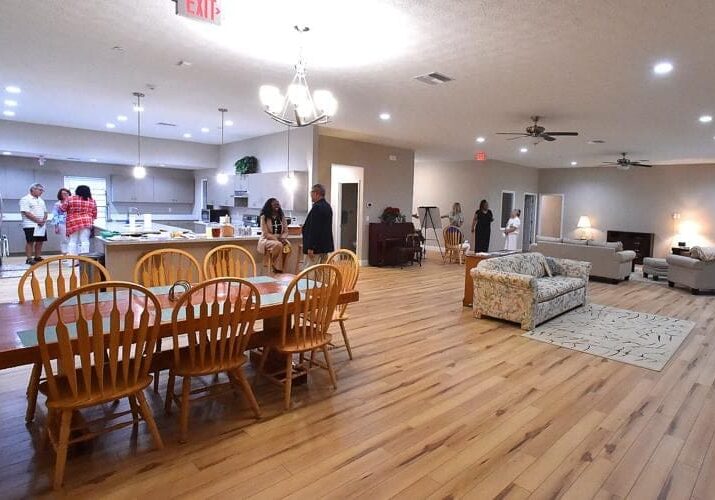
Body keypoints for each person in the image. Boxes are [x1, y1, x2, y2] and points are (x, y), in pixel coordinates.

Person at [302, 183, 334, 267]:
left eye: (311, 194)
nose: (311, 196)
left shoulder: (317, 207)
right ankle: (323, 281)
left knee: (309, 270)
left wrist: (311, 247)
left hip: (316, 247)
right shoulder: (327, 206)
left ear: (316, 193)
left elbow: (314, 229)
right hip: (324, 245)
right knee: (323, 270)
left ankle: (310, 281)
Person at [62, 185, 97, 255]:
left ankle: (72, 261)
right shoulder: (92, 201)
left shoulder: (70, 199)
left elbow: (62, 209)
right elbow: (94, 214)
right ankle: (84, 261)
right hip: (86, 222)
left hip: (73, 222)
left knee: (73, 241)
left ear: (77, 191)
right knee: (85, 241)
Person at [19, 183, 48, 265]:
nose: (41, 192)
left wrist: (43, 220)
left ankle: (37, 257)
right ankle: (29, 258)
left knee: (40, 241)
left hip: (41, 225)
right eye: (40, 190)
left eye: (42, 190)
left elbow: (45, 212)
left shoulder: (41, 200)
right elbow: (26, 213)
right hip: (30, 224)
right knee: (30, 241)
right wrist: (38, 220)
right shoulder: (25, 199)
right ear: (33, 189)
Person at [258, 197, 289, 273]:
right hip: (267, 239)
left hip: (280, 239)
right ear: (269, 206)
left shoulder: (281, 216)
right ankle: (276, 268)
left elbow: (286, 231)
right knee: (278, 245)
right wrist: (277, 239)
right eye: (275, 205)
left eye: (278, 204)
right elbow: (265, 233)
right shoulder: (264, 217)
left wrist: (283, 238)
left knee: (288, 246)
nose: (277, 206)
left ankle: (280, 266)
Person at [52, 188, 72, 256]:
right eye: (63, 194)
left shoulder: (72, 202)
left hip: (72, 223)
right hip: (62, 223)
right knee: (64, 239)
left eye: (66, 193)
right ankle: (65, 254)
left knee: (72, 239)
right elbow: (55, 215)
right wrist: (56, 227)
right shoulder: (57, 204)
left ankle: (72, 254)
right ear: (60, 195)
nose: (65, 195)